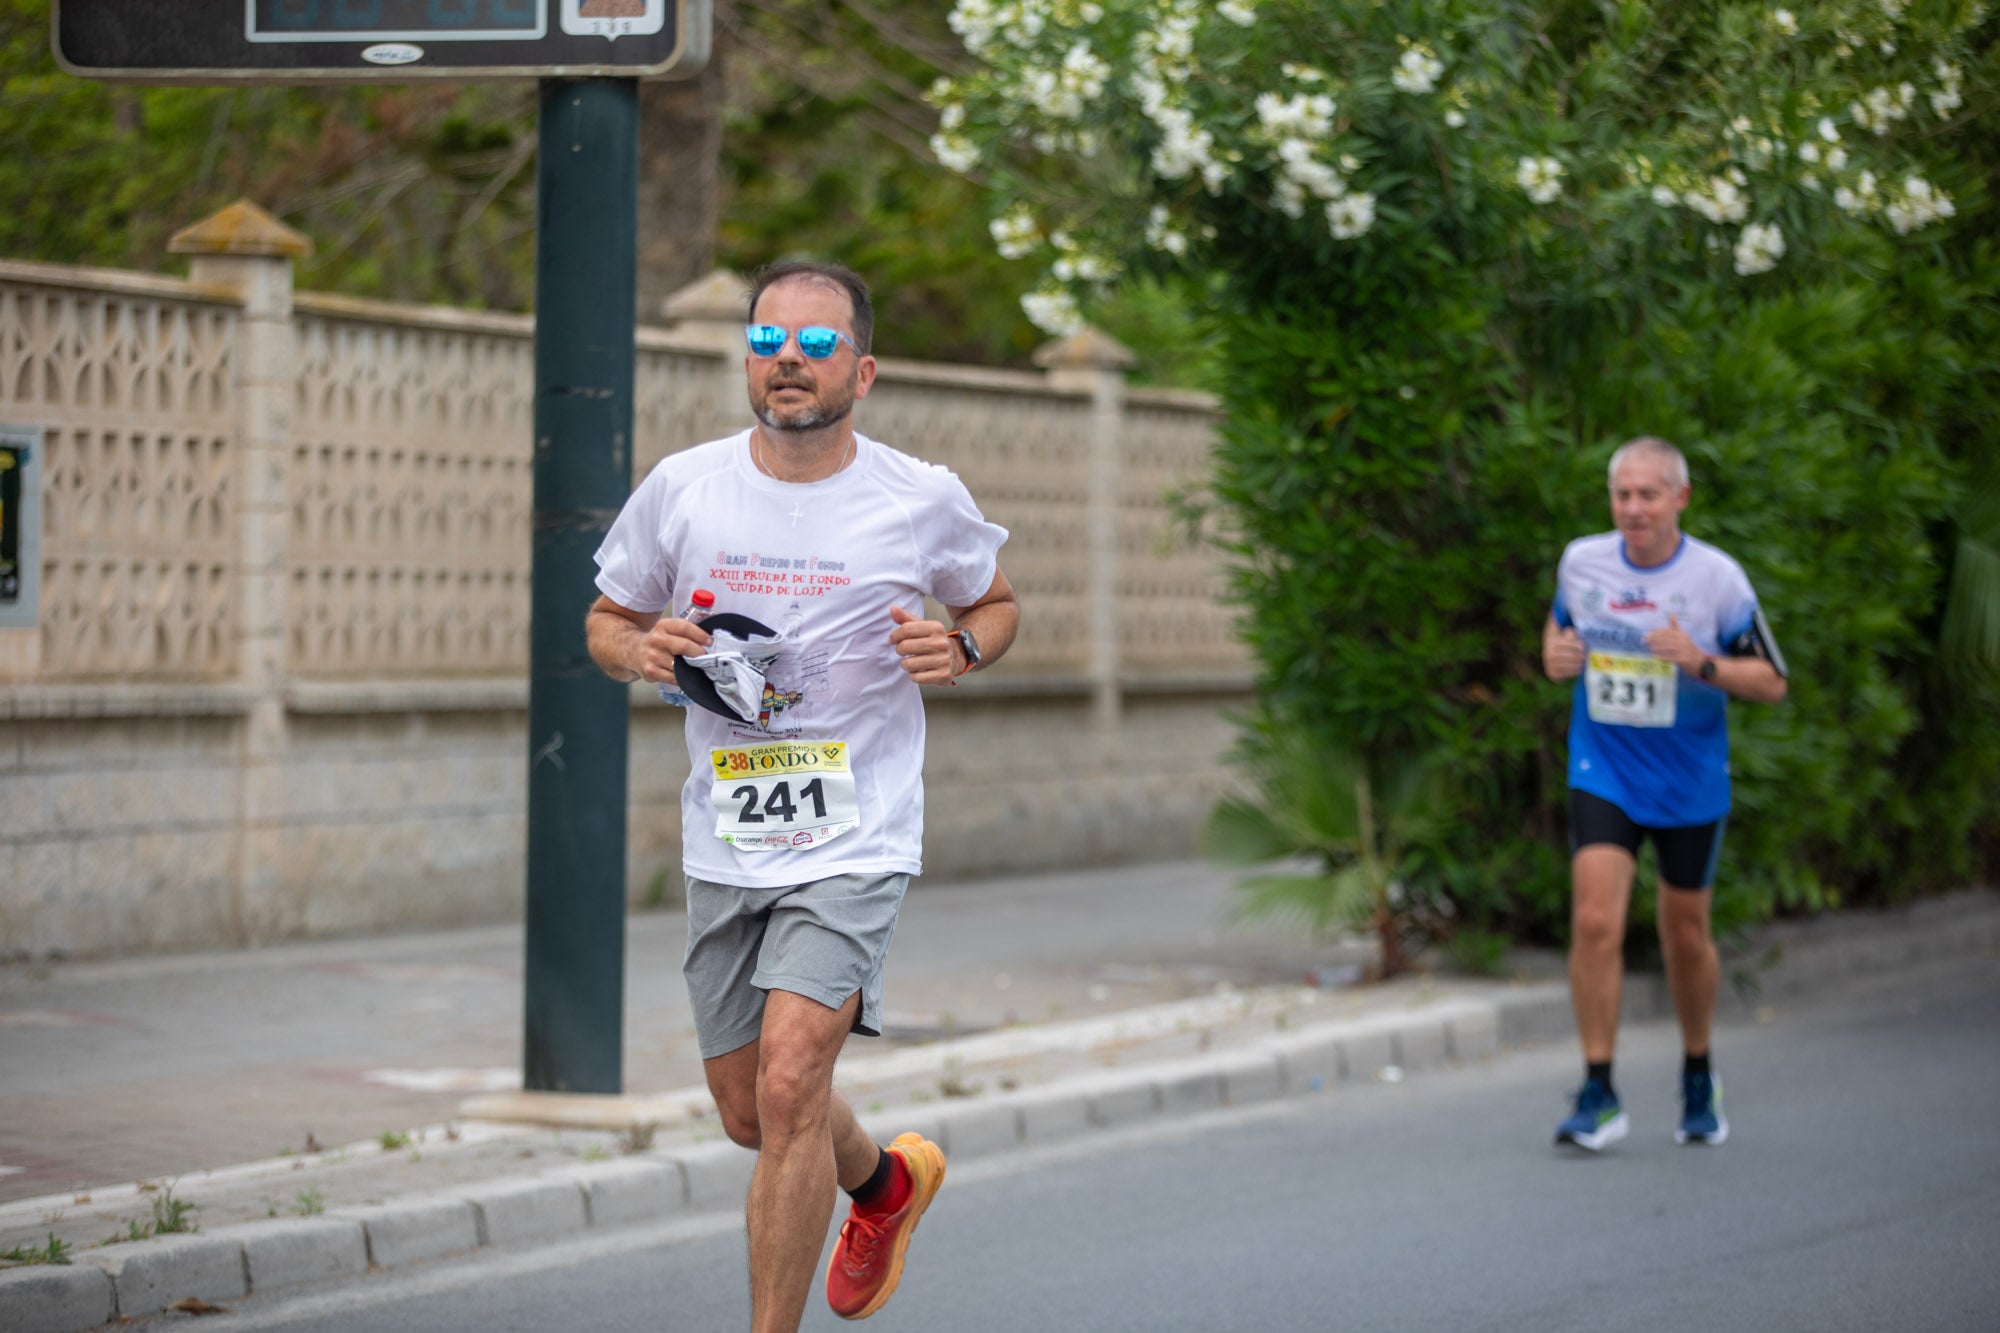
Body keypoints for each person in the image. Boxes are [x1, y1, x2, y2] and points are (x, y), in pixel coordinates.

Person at [585, 260, 1018, 1329]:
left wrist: (960, 646)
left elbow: (995, 602)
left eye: (816, 343)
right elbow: (605, 620)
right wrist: (639, 649)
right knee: (751, 1110)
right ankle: (884, 1182)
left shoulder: (917, 497)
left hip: (856, 833)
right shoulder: (683, 487)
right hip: (726, 833)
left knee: (790, 1083)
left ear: (860, 372)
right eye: (767, 340)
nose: (788, 358)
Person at [1541, 436, 1787, 1151]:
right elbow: (1560, 629)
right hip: (1605, 767)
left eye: (1648, 494)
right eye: (1622, 494)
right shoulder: (1582, 561)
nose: (1634, 508)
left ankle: (1698, 1071)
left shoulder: (1717, 579)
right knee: (1594, 920)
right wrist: (1553, 654)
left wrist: (1702, 662)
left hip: (1687, 777)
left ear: (1680, 497)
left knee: (1684, 933)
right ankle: (1598, 1090)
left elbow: (1772, 681)